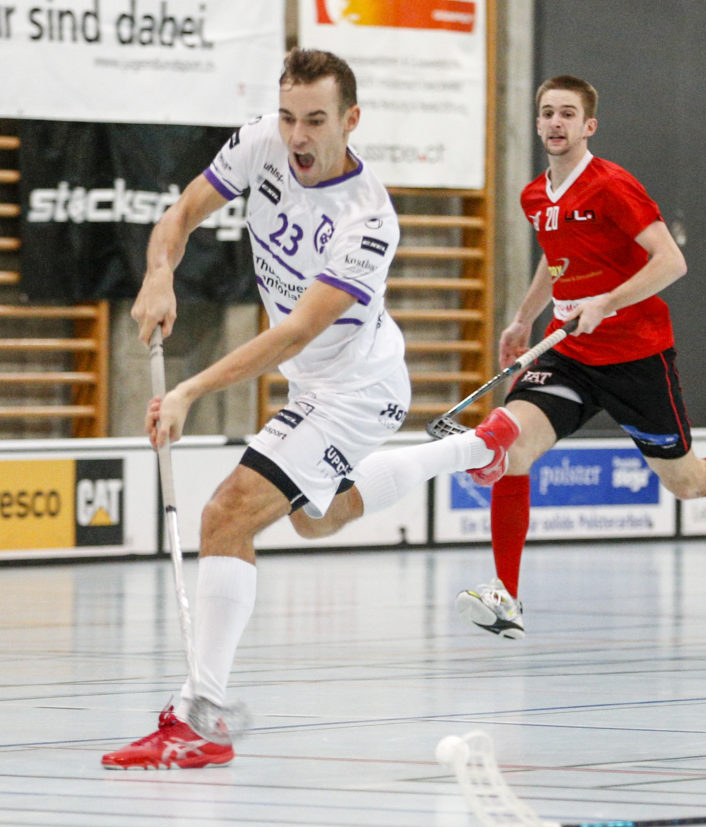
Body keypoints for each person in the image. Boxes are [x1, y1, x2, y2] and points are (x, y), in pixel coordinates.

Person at [101, 47, 520, 770]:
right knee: (313, 519)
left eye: (316, 121)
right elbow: (182, 213)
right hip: (314, 382)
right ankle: (474, 447)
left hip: (358, 389)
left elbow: (295, 331)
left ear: (351, 120)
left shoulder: (369, 220)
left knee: (227, 514)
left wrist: (190, 391)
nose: (297, 136)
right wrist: (159, 273)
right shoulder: (262, 140)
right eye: (289, 116)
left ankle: (201, 716)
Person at [454, 75, 706, 642]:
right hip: (568, 352)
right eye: (548, 113)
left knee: (686, 481)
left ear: (589, 125)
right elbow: (557, 260)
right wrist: (523, 317)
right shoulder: (535, 197)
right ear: (537, 123)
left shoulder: (612, 186)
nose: (556, 122)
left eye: (568, 113)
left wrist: (608, 301)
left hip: (635, 354)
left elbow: (671, 262)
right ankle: (506, 596)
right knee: (513, 449)